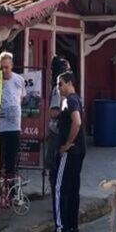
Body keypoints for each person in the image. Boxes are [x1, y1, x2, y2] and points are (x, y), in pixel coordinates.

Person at [46, 72, 86, 232]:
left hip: (69, 152)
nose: (58, 87)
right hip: (78, 151)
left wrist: (67, 144)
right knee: (72, 189)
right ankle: (73, 226)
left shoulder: (71, 100)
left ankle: (61, 229)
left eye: (60, 83)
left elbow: (76, 122)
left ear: (70, 83)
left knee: (59, 188)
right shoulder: (72, 100)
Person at [46, 56, 71, 202]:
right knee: (55, 164)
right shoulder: (58, 89)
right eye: (67, 69)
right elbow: (53, 111)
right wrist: (68, 113)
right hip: (57, 130)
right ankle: (56, 195)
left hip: (62, 131)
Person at [0, 51, 25, 179]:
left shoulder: (19, 79)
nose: (4, 70)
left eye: (6, 67)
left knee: (11, 162)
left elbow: (21, 98)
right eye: (1, 67)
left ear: (12, 66)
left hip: (14, 127)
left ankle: (10, 193)